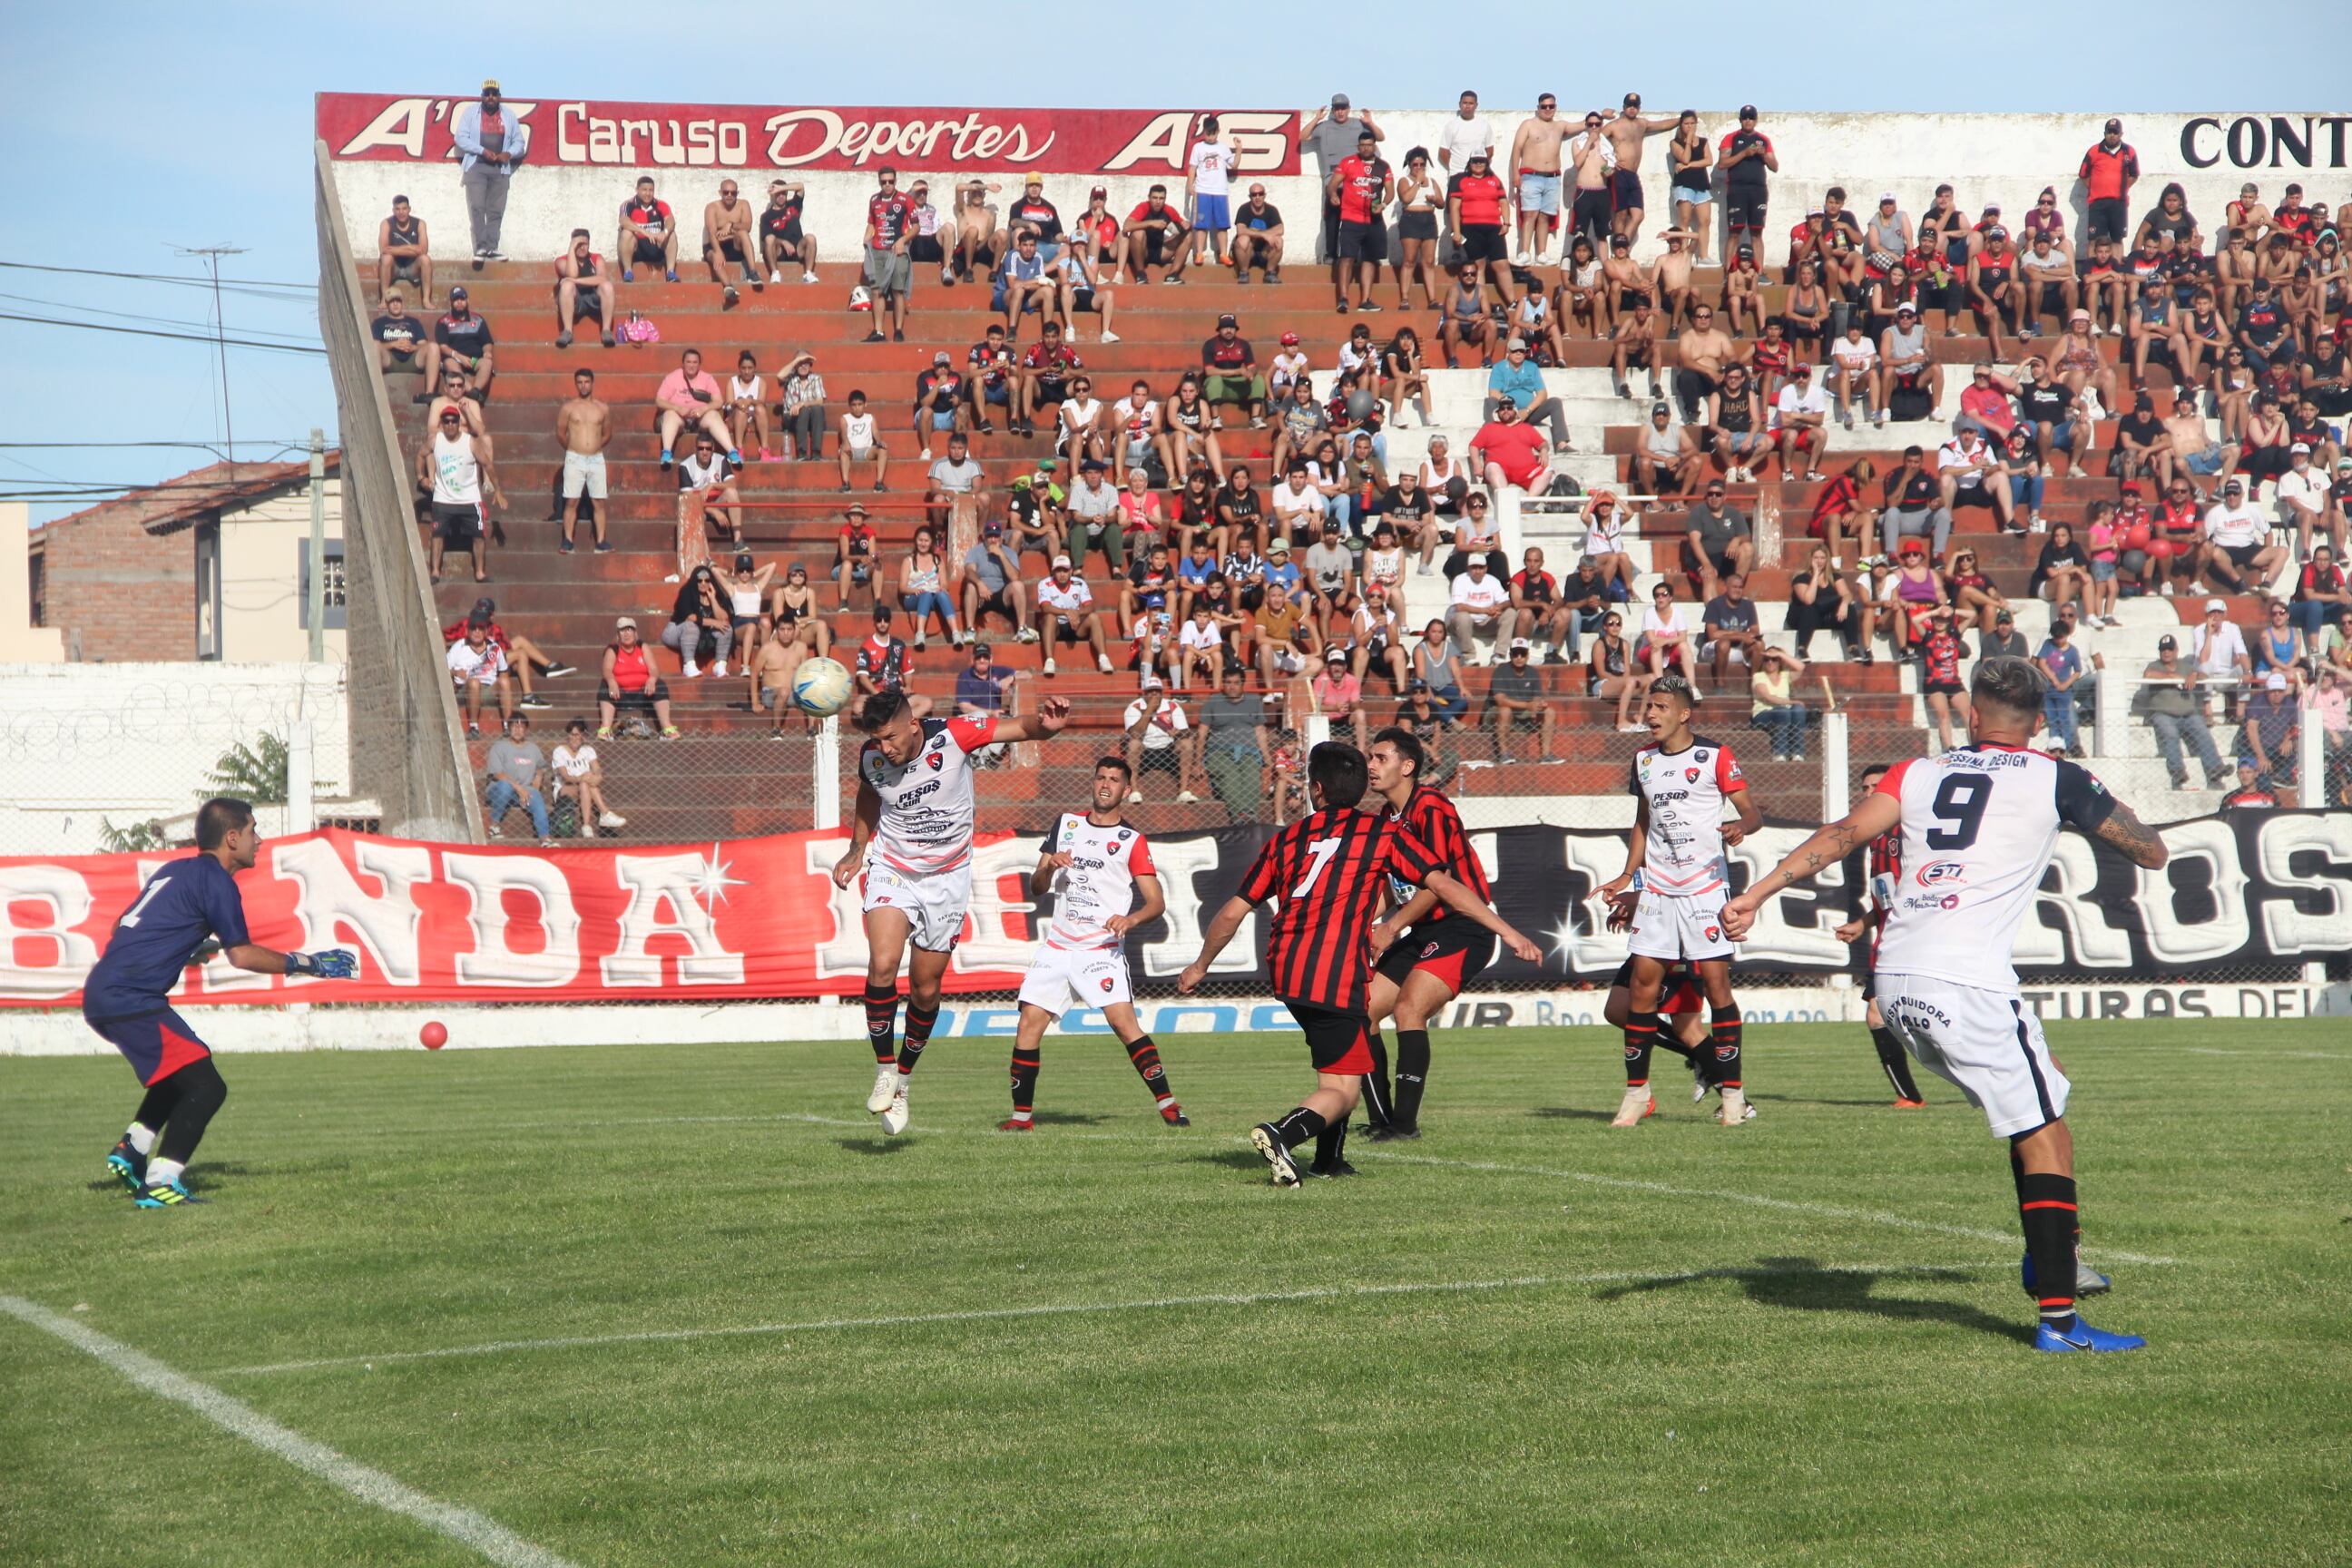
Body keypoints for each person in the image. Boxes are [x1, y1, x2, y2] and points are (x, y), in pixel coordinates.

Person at [1726, 656, 2168, 1352]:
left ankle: (2052, 1255)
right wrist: (2099, 801)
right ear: (2041, 720)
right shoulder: (2058, 776)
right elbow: (2152, 853)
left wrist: (1758, 892)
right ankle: (2059, 1318)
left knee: (2042, 1103)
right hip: (1967, 980)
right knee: (2044, 1132)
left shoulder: (1919, 772)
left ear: (1970, 715)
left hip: (1896, 977)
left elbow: (1845, 834)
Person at [1177, 741, 1538, 1185]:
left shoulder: (1287, 839)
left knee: (1339, 1062)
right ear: (1359, 787)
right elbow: (1443, 885)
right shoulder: (1381, 833)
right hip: (1335, 974)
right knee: (1342, 1091)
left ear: (1316, 789)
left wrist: (1200, 965)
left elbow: (1231, 913)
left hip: (1287, 971)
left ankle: (1330, 1160)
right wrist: (1509, 931)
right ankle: (1282, 1134)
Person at [84, 797, 356, 1208]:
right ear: (232, 837)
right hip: (130, 996)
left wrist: (186, 947)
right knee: (207, 1087)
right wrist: (310, 963)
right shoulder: (217, 882)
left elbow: (125, 926)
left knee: (181, 1073)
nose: (259, 840)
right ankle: (161, 1180)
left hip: (107, 991)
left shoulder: (176, 870)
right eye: (252, 830)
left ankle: (133, 1148)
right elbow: (242, 954)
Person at [835, 690, 1074, 1136]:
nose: (884, 748)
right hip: (894, 868)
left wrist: (1047, 725)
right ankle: (885, 1067)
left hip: (947, 879)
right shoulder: (872, 756)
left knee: (925, 991)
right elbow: (869, 795)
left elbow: (1021, 727)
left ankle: (903, 1080)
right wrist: (857, 848)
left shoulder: (955, 734)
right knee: (883, 963)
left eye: (889, 737)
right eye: (877, 740)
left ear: (912, 725)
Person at [1597, 677, 1764, 1127]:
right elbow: (1643, 822)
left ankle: (1733, 1096)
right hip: (1658, 890)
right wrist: (1628, 874)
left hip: (1705, 890)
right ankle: (1636, 1094)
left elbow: (1753, 812)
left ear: (1684, 713)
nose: (1650, 714)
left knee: (1716, 988)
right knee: (1641, 989)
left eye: (1660, 706)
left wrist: (1740, 827)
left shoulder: (1715, 756)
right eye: (1649, 706)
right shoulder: (1644, 760)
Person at [1005, 759, 1184, 1132]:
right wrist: (1049, 867)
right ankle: (1021, 1119)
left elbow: (1156, 902)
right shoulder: (1066, 824)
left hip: (1100, 951)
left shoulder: (1131, 841)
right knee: (1028, 1026)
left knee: (1124, 1026)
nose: (1106, 785)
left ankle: (1169, 1106)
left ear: (1125, 790)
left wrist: (1130, 919)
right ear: (1093, 782)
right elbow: (1037, 887)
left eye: (1114, 780)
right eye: (1101, 777)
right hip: (1057, 948)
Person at [1356, 726, 1499, 1139]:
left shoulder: (1431, 807)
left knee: (1408, 1009)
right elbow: (1390, 888)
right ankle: (1381, 1118)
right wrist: (1365, 922)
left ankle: (1404, 1125)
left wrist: (1391, 927)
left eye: (1380, 758)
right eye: (1369, 757)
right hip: (1422, 930)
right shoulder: (1386, 818)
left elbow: (1438, 882)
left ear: (1408, 765)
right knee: (1361, 1011)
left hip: (1462, 928)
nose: (1371, 765)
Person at [2134, 634, 2230, 791]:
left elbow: (2203, 675)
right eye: (2163, 650)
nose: (2166, 653)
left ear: (2176, 650)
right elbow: (2148, 675)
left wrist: (2193, 675)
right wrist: (2173, 677)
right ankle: (2177, 773)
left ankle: (2215, 771)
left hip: (2188, 714)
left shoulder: (2186, 666)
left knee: (2203, 732)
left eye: (2170, 649)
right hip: (2163, 714)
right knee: (2170, 734)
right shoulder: (2154, 666)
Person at [417, 405, 500, 585]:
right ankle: (435, 572)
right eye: (446, 421)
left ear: (458, 423)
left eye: (453, 421)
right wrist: (420, 476)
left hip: (469, 499)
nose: (450, 425)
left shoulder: (469, 441)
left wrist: (498, 490)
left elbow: (487, 464)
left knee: (478, 535)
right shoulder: (435, 440)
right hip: (443, 498)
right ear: (442, 424)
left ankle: (479, 572)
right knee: (437, 534)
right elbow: (421, 454)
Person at [452, 81, 526, 265]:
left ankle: (492, 248)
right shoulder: (471, 112)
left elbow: (519, 142)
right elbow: (460, 137)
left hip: (500, 169)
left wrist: (508, 153)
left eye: (494, 94)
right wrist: (482, 151)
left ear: (499, 96)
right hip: (477, 166)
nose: (490, 97)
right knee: (477, 207)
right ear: (482, 96)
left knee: (496, 210)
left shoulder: (508, 115)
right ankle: (481, 248)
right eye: (487, 94)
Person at [1327, 129, 1393, 314]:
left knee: (1370, 258)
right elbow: (1332, 185)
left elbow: (1390, 192)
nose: (1366, 149)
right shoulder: (1348, 162)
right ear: (1358, 147)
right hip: (1350, 217)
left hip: (1374, 219)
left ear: (1374, 146)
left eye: (1369, 145)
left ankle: (1365, 300)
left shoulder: (1383, 166)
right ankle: (1343, 298)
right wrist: (1333, 195)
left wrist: (1384, 205)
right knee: (1347, 257)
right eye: (1362, 146)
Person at [1196, 664, 1270, 818]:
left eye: (1236, 683)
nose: (1232, 687)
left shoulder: (1254, 700)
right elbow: (1202, 734)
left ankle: (1250, 814)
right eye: (1228, 683)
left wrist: (1266, 756)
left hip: (1248, 751)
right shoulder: (1213, 701)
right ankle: (1239, 816)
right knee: (1230, 775)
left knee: (1251, 774)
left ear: (1243, 684)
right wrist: (1197, 762)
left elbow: (1260, 731)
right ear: (1223, 684)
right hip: (1218, 752)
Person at [597, 616, 679, 740]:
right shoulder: (613, 649)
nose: (626, 633)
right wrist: (611, 681)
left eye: (630, 630)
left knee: (660, 684)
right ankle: (605, 729)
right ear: (618, 635)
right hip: (619, 694)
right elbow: (606, 670)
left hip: (644, 693)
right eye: (623, 630)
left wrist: (652, 678)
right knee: (605, 685)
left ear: (635, 633)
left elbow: (654, 669)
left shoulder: (642, 647)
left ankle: (667, 729)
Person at [861, 166, 917, 343]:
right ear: (879, 181)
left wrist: (903, 240)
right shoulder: (874, 200)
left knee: (897, 291)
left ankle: (898, 330)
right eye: (883, 181)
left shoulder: (905, 199)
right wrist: (866, 237)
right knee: (876, 291)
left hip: (897, 251)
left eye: (890, 181)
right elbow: (872, 222)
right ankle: (878, 331)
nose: (887, 185)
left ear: (895, 181)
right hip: (878, 250)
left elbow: (916, 227)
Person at [483, 712, 554, 845]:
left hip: (523, 792)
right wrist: (519, 788)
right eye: (514, 726)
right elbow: (498, 774)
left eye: (521, 727)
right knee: (505, 786)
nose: (517, 730)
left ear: (526, 730)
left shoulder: (533, 748)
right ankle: (494, 825)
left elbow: (541, 766)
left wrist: (538, 778)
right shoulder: (499, 747)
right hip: (500, 791)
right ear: (509, 728)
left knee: (536, 796)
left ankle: (545, 838)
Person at [416, 286, 494, 407]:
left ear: (467, 301)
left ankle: (475, 390)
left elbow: (487, 342)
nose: (459, 303)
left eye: (462, 299)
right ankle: (470, 391)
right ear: (451, 302)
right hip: (455, 358)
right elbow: (443, 347)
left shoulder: (478, 320)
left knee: (487, 363)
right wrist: (459, 356)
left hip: (473, 360)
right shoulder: (443, 322)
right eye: (456, 300)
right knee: (449, 363)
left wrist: (487, 352)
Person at [549, 719, 622, 838]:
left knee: (585, 784)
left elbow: (597, 768)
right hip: (565, 789)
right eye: (572, 734)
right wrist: (583, 778)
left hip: (585, 787)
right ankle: (604, 814)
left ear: (583, 736)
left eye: (578, 735)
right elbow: (565, 776)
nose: (575, 738)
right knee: (585, 783)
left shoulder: (588, 750)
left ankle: (587, 825)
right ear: (567, 735)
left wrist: (597, 776)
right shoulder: (559, 751)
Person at [701, 178, 761, 305]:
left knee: (743, 233)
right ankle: (728, 286)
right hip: (714, 244)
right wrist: (718, 251)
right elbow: (712, 232)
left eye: (733, 193)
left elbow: (747, 226)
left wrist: (731, 225)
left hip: (733, 244)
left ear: (737, 193)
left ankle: (753, 273)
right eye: (726, 192)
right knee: (714, 256)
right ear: (720, 192)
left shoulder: (743, 204)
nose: (729, 195)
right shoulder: (712, 207)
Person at [1771, 361, 1831, 482]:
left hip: (1802, 431)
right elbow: (1785, 421)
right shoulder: (1787, 391)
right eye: (1797, 376)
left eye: (1804, 376)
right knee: (1791, 433)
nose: (1801, 379)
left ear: (1810, 377)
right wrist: (1808, 418)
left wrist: (1796, 415)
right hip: (1781, 431)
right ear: (1793, 377)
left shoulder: (1817, 392)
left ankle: (1811, 471)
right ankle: (1787, 471)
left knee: (1822, 433)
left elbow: (1819, 420)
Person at [1749, 644, 1809, 760]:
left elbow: (1801, 667)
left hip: (1786, 711)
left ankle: (1798, 753)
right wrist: (1791, 701)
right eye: (1767, 659)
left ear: (1779, 662)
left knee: (1798, 710)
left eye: (1774, 659)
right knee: (1783, 711)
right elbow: (1768, 697)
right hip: (1763, 713)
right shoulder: (1759, 676)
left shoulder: (1785, 676)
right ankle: (1779, 753)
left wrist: (1781, 654)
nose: (1770, 662)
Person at [616, 175, 680, 282]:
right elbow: (623, 221)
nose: (648, 193)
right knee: (626, 233)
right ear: (637, 190)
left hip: (656, 246)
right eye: (644, 190)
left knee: (671, 234)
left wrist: (665, 232)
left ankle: (670, 273)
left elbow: (671, 221)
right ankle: (628, 272)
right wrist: (644, 232)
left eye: (651, 190)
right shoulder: (628, 205)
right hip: (637, 249)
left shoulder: (661, 204)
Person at [760, 179, 821, 284]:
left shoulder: (793, 205)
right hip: (779, 252)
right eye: (778, 194)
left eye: (784, 193)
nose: (781, 196)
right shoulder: (766, 216)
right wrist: (783, 242)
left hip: (798, 249)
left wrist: (782, 188)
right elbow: (765, 238)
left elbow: (801, 186)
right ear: (773, 195)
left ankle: (808, 274)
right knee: (770, 239)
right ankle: (775, 273)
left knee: (810, 238)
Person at [1701, 573, 1764, 677]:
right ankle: (1719, 685)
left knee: (1759, 644)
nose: (1738, 590)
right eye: (1734, 587)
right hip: (1713, 649)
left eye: (1740, 587)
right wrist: (1740, 635)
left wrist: (1746, 636)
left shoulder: (1748, 605)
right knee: (1724, 644)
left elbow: (1755, 630)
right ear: (1726, 587)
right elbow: (1713, 635)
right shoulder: (1714, 604)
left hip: (1739, 647)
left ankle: (1755, 682)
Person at [377, 193, 432, 305]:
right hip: (394, 267)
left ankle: (426, 299)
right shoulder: (386, 224)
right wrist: (413, 249)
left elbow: (423, 250)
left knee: (425, 259)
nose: (401, 212)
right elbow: (384, 250)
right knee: (386, 258)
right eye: (397, 209)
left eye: (404, 209)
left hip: (412, 267)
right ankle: (384, 298)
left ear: (409, 209)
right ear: (393, 210)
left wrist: (396, 249)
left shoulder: (420, 224)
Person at [1230, 182, 1287, 282]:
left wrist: (1259, 233)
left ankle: (1270, 273)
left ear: (1264, 195)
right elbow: (1240, 230)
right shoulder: (1244, 209)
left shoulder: (1271, 210)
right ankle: (1244, 273)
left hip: (1265, 251)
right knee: (1243, 240)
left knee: (1279, 241)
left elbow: (1280, 229)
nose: (1257, 197)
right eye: (1254, 194)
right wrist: (1263, 235)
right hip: (1248, 251)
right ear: (1250, 197)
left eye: (1260, 194)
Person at [368, 289, 429, 382]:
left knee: (433, 347)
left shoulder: (414, 322)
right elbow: (374, 346)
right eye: (392, 301)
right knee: (375, 346)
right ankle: (377, 387)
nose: (395, 304)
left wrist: (413, 347)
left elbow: (424, 344)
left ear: (402, 303)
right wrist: (393, 345)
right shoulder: (378, 323)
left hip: (412, 360)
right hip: (390, 360)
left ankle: (429, 393)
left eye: (398, 301)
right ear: (387, 304)